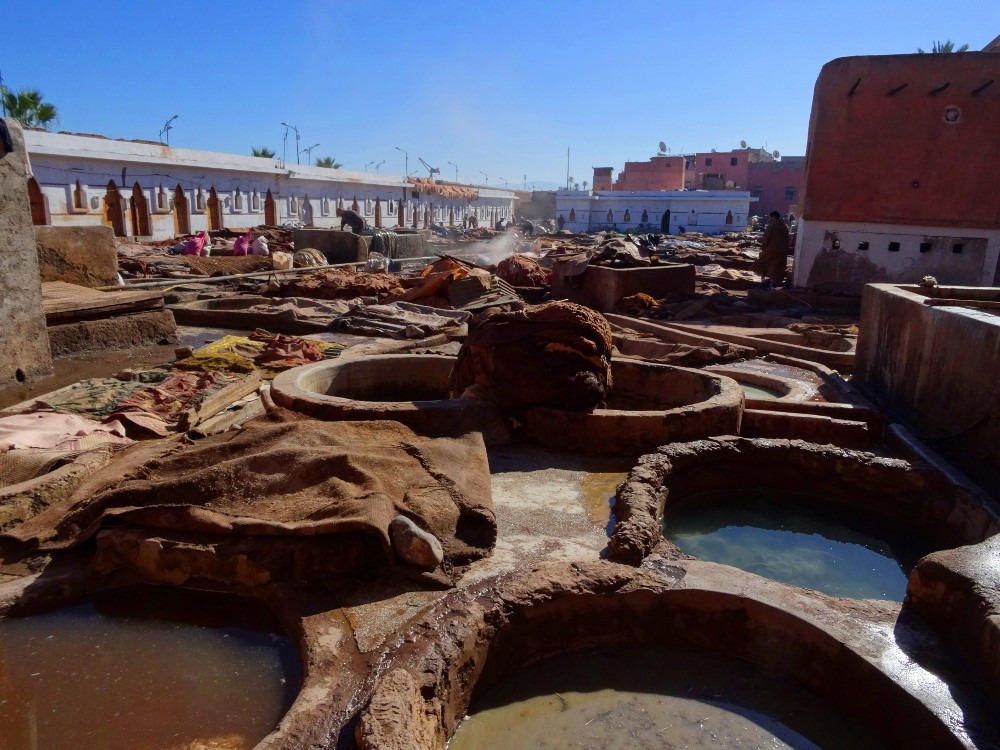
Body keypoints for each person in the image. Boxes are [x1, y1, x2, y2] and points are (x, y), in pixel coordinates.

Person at [754, 211, 791, 289]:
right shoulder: (784, 226)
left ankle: (765, 282)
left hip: (772, 250)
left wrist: (763, 247)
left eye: (770, 217)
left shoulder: (772, 225)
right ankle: (775, 282)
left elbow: (766, 239)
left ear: (773, 217)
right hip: (782, 251)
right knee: (778, 267)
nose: (769, 219)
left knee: (763, 263)